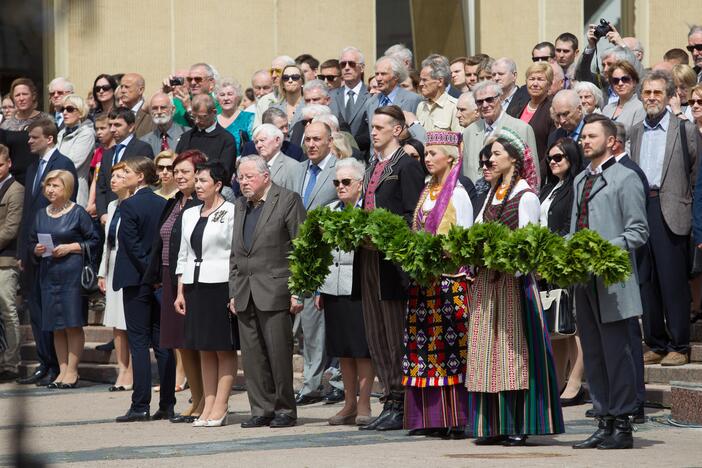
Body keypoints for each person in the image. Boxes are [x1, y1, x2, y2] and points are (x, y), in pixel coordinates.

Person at [466, 129, 564, 446]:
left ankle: (518, 422)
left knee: (512, 355)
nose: (488, 159)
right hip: (487, 284)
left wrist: (505, 261)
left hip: (513, 284)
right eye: (487, 155)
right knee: (487, 355)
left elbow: (527, 245)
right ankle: (492, 424)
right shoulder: (491, 194)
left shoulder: (526, 195)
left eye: (495, 153)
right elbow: (476, 232)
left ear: (513, 158)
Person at [570, 114, 648, 450]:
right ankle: (603, 419)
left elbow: (638, 231)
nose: (585, 141)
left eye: (592, 136)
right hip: (584, 279)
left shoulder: (625, 178)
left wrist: (601, 249)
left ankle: (623, 423)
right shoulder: (578, 181)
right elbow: (577, 227)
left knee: (618, 352)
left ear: (611, 141)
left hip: (613, 279)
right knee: (595, 352)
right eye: (583, 136)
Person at [358, 105, 424, 431]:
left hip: (392, 260)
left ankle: (402, 399)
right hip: (369, 256)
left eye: (381, 127)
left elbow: (414, 216)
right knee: (376, 331)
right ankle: (388, 398)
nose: (374, 132)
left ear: (397, 130)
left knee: (395, 330)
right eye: (372, 127)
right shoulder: (372, 166)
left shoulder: (406, 166)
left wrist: (387, 235)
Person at [403, 131, 473, 439]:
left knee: (451, 350)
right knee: (424, 351)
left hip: (450, 282)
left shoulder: (458, 193)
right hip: (424, 283)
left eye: (434, 153)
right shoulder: (426, 189)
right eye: (427, 153)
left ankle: (455, 418)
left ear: (450, 157)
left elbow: (466, 239)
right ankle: (430, 418)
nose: (428, 158)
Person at [229, 155, 306, 428]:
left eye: (249, 177)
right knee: (252, 357)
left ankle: (285, 409)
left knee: (278, 354)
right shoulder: (239, 205)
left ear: (266, 176)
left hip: (276, 289)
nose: (244, 182)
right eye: (241, 177)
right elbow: (236, 252)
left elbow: (302, 247)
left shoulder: (287, 200)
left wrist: (298, 290)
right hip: (244, 291)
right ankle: (261, 409)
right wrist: (233, 292)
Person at [631, 70, 701, 367]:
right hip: (641, 208)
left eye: (657, 93)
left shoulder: (684, 130)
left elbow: (697, 175)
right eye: (647, 93)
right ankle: (656, 342)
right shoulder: (634, 131)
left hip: (672, 208)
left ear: (670, 96)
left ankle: (679, 344)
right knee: (646, 280)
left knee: (672, 281)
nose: (651, 98)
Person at [144, 149, 207, 424]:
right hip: (170, 276)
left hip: (193, 277)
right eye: (176, 171)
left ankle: (205, 399)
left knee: (194, 341)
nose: (178, 176)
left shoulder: (202, 204)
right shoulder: (174, 202)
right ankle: (196, 400)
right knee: (179, 343)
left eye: (185, 172)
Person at [174, 161, 237, 427]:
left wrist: (235, 292)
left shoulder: (231, 212)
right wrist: (180, 291)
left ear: (218, 184)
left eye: (203, 181)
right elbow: (183, 254)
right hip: (194, 285)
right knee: (203, 347)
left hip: (220, 283)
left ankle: (221, 404)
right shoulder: (190, 213)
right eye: (196, 180)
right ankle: (207, 403)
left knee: (222, 347)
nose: (198, 185)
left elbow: (235, 254)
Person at [113, 157, 175, 422]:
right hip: (158, 280)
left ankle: (140, 404)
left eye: (127, 171)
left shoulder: (129, 206)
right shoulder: (163, 203)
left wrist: (149, 275)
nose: (122, 175)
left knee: (138, 343)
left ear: (140, 177)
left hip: (138, 281)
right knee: (162, 343)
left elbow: (132, 245)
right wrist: (159, 276)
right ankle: (167, 403)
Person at [16, 118, 77, 386]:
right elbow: (29, 213)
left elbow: (66, 207)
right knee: (38, 309)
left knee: (55, 312)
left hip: (59, 254)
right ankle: (45, 362)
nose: (29, 141)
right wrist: (24, 250)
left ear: (49, 138)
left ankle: (57, 365)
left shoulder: (63, 164)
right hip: (35, 249)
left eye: (34, 137)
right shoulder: (32, 168)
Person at [314, 157, 373, 425]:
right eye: (337, 182)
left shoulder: (369, 211)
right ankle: (348, 403)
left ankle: (364, 404)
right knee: (343, 349)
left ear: (361, 184)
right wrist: (319, 288)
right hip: (333, 286)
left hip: (358, 285)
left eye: (346, 182)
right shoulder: (329, 211)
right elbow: (323, 253)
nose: (340, 186)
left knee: (361, 349)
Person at [29, 169, 99, 388]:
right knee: (56, 326)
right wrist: (36, 250)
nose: (50, 189)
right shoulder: (41, 214)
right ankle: (61, 370)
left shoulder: (78, 213)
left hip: (72, 273)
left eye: (56, 185)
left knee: (72, 324)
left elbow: (95, 241)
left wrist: (71, 247)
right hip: (49, 274)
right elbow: (30, 241)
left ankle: (72, 371)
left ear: (67, 188)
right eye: (48, 185)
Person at [289, 122, 339, 406]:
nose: (311, 144)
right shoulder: (298, 170)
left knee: (333, 326)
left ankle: (334, 382)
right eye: (307, 139)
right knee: (309, 325)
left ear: (329, 141)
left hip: (332, 256)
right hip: (302, 256)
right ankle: (311, 385)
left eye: (317, 139)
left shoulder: (340, 170)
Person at [539, 138, 586, 406]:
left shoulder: (576, 186)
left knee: (574, 326)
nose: (553, 162)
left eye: (559, 157)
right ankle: (556, 382)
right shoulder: (547, 189)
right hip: (546, 263)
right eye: (550, 158)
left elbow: (575, 225)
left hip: (567, 261)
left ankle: (576, 382)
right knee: (556, 327)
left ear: (571, 158)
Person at [97, 162, 133, 391]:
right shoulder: (112, 205)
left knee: (129, 322)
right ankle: (123, 369)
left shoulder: (135, 204)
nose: (114, 180)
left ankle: (134, 371)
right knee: (116, 324)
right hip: (112, 267)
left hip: (128, 266)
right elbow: (107, 244)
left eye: (120, 176)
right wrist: (102, 272)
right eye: (113, 175)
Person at [461, 80, 539, 184]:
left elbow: (532, 174)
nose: (484, 105)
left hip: (510, 195)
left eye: (489, 100)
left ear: (501, 98)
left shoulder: (521, 129)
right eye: (479, 102)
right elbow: (467, 171)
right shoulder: (469, 132)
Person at [96, 107, 154, 222]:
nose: (112, 129)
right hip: (110, 213)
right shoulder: (107, 153)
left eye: (117, 125)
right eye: (110, 125)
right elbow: (101, 186)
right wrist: (103, 213)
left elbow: (145, 183)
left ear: (131, 127)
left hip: (133, 212)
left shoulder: (142, 148)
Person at [0, 78, 52, 185]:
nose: (21, 98)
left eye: (25, 94)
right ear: (13, 99)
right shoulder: (6, 125)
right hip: (14, 183)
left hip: (42, 180)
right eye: (17, 95)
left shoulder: (46, 121)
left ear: (33, 96)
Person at [0, 145, 23, 382]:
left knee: (8, 311)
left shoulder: (16, 190)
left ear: (8, 164)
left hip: (6, 260)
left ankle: (11, 363)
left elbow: (11, 228)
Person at [175, 94, 236, 180]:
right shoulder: (186, 138)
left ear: (214, 113)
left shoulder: (226, 139)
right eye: (194, 116)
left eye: (202, 117)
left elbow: (225, 172)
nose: (196, 121)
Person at [514, 62, 556, 172]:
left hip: (539, 171)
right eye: (532, 79)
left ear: (549, 84)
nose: (535, 83)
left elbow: (551, 147)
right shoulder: (518, 107)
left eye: (540, 79)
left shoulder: (552, 109)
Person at [56, 95, 96, 207]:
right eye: (62, 109)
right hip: (57, 187)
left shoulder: (87, 134)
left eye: (69, 109)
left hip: (75, 188)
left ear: (81, 112)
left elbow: (72, 163)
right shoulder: (60, 133)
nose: (64, 112)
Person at [365, 56, 423, 133]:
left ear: (396, 76)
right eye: (377, 74)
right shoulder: (371, 102)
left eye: (383, 74)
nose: (378, 78)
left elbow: (417, 132)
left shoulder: (413, 100)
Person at [602, 61, 646, 145]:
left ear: (634, 82)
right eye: (615, 81)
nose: (620, 83)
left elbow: (635, 142)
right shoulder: (607, 109)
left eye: (625, 79)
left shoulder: (640, 108)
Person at [416, 55, 461, 131]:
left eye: (425, 80)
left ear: (440, 81)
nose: (420, 84)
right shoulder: (421, 106)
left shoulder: (454, 107)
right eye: (420, 80)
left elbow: (460, 140)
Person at [251, 124, 298, 189]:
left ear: (277, 140)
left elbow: (292, 196)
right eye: (256, 142)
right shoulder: (254, 165)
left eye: (262, 140)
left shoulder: (292, 166)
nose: (259, 145)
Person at [216, 78, 254, 152]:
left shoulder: (250, 118)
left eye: (230, 94)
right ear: (217, 98)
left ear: (238, 97)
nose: (226, 98)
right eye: (222, 95)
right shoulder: (212, 121)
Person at [119, 73, 154, 138]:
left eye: (127, 87)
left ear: (140, 90)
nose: (122, 91)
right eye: (121, 87)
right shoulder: (118, 113)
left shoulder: (150, 114)